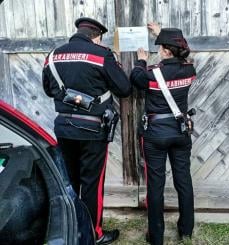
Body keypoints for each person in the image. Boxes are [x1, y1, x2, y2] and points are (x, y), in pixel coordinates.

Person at [42, 17, 131, 245]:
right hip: (93, 130)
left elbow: (49, 90)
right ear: (97, 36)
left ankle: (71, 232)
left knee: (69, 183)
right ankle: (93, 234)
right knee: (91, 184)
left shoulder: (52, 56)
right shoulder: (102, 55)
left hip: (63, 128)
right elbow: (124, 88)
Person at [130, 23, 196, 245]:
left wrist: (141, 58)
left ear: (165, 51)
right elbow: (183, 54)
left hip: (155, 135)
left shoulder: (151, 73)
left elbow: (135, 77)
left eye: (161, 47)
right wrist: (162, 35)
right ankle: (186, 231)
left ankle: (156, 237)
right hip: (180, 132)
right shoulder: (190, 70)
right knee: (184, 181)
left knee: (155, 185)